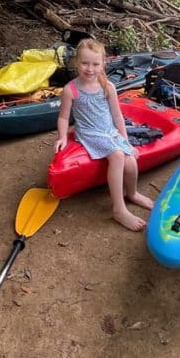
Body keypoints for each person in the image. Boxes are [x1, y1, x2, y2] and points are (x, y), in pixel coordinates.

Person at [54, 38, 153, 231]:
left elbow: (117, 115)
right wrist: (62, 137)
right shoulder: (71, 90)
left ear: (103, 64)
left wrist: (126, 141)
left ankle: (131, 193)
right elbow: (64, 118)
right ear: (76, 63)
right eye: (84, 63)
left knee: (131, 162)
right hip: (90, 133)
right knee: (117, 156)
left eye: (95, 64)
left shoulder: (108, 87)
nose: (89, 69)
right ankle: (119, 209)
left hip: (109, 131)